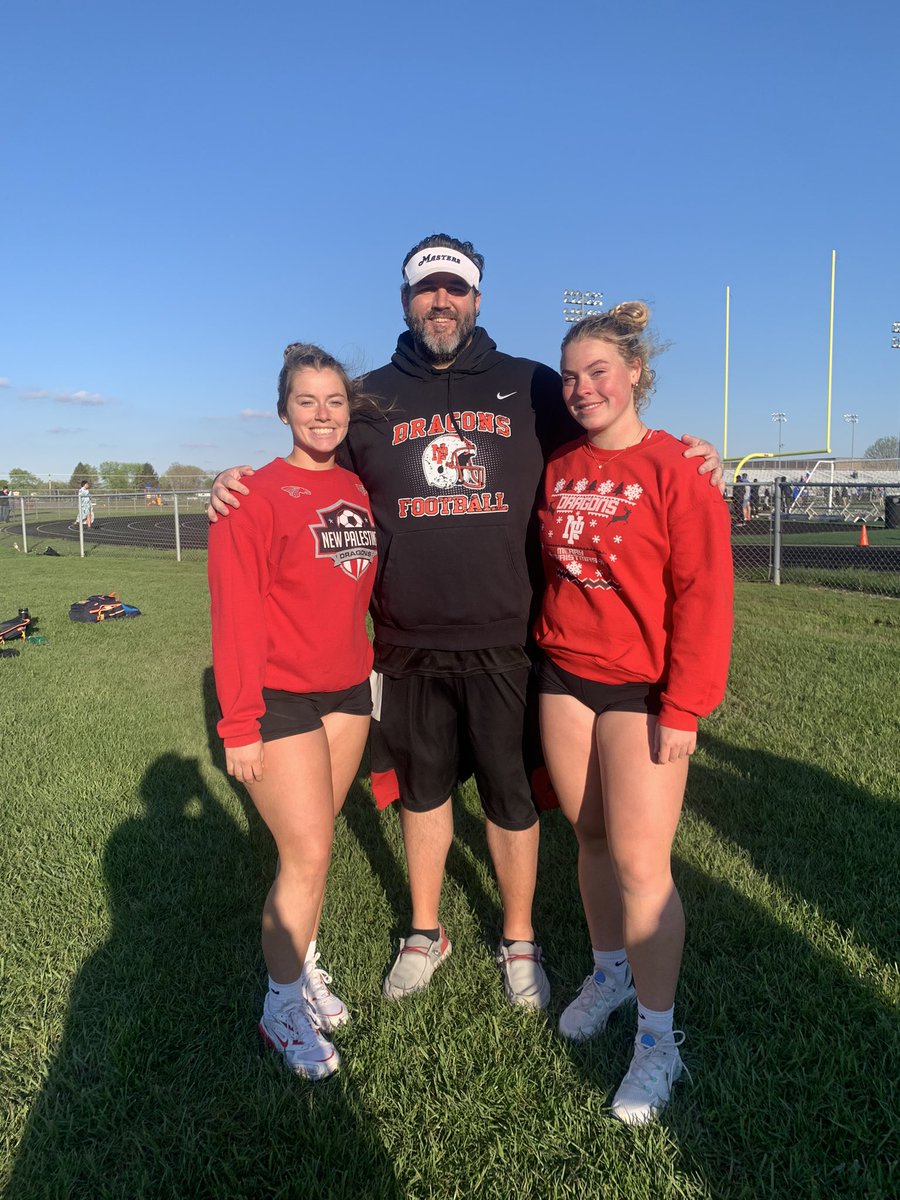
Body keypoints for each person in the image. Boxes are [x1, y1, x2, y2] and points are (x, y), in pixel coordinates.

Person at [209, 234, 723, 1012]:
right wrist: (233, 478)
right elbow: (307, 461)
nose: (439, 301)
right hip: (409, 645)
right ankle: (425, 931)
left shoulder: (534, 385)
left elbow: (610, 434)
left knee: (513, 802)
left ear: (477, 299)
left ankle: (520, 938)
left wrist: (694, 452)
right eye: (425, 290)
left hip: (514, 644)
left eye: (454, 288)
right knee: (423, 794)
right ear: (407, 301)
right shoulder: (370, 397)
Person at [534, 303, 732, 1123]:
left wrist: (684, 707)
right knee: (587, 836)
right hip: (563, 675)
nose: (582, 390)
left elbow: (705, 597)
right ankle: (608, 970)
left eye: (599, 373)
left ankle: (658, 1040)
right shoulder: (559, 464)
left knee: (644, 868)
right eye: (572, 377)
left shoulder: (678, 468)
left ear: (637, 373)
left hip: (643, 692)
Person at [208, 343, 380, 1080]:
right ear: (282, 410)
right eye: (306, 401)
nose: (321, 413)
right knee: (307, 853)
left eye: (334, 400)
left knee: (312, 848)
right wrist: (238, 722)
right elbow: (235, 616)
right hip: (277, 697)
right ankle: (280, 1008)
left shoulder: (360, 486)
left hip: (347, 691)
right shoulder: (251, 495)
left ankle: (301, 970)